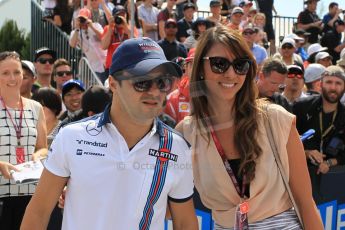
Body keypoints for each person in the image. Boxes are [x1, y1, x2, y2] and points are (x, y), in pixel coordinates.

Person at [21, 37, 198, 230]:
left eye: (162, 82)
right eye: (142, 82)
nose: (155, 92)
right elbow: (38, 212)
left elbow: (185, 223)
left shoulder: (177, 148)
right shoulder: (71, 137)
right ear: (113, 84)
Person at [175, 26, 323, 229]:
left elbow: (306, 203)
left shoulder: (276, 119)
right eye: (219, 64)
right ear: (199, 68)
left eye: (240, 65)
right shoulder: (186, 133)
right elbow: (170, 203)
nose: (230, 74)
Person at [0, 51, 47, 229]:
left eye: (17, 72)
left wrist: (38, 156)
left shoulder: (36, 108)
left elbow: (42, 148)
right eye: (5, 73)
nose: (12, 78)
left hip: (30, 194)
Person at [293, 65, 345, 204]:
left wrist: (331, 162)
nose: (333, 87)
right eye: (329, 82)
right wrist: (306, 152)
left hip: (334, 180)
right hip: (300, 177)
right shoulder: (301, 107)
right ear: (320, 84)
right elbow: (285, 142)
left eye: (338, 83)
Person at [69, 8, 107, 82]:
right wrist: (77, 28)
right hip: (95, 66)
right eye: (81, 19)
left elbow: (103, 38)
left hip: (106, 62)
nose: (83, 22)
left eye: (84, 19)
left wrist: (92, 27)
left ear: (89, 18)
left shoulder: (96, 26)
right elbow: (72, 44)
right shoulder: (76, 32)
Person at [101, 5, 131, 82]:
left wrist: (125, 27)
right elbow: (104, 46)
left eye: (123, 15)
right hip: (112, 67)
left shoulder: (130, 28)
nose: (121, 17)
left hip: (127, 66)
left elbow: (136, 42)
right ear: (114, 17)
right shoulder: (108, 28)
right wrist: (111, 27)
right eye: (119, 15)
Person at [165, 48, 195, 124]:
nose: (197, 69)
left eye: (201, 65)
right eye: (193, 64)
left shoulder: (218, 97)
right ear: (186, 68)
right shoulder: (171, 100)